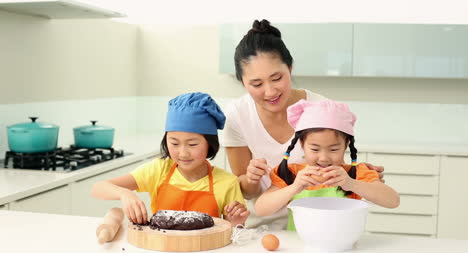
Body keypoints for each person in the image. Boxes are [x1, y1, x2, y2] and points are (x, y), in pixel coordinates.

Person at [223, 19, 384, 229]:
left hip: (315, 223)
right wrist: (252, 179)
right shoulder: (237, 116)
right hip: (258, 226)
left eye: (277, 78)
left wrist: (359, 173)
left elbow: (333, 165)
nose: (270, 91)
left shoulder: (321, 108)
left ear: (290, 68)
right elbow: (246, 192)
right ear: (242, 82)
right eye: (256, 84)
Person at [92, 92, 249, 227]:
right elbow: (98, 188)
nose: (183, 153)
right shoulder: (158, 170)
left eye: (192, 144)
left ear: (210, 144)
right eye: (174, 143)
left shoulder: (227, 183)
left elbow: (232, 236)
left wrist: (236, 223)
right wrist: (124, 193)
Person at [254, 99, 400, 230]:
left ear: (346, 145)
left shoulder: (355, 174)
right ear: (302, 144)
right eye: (315, 149)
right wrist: (295, 187)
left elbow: (393, 201)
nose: (323, 158)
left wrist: (351, 184)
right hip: (299, 246)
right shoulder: (291, 173)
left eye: (334, 149)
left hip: (342, 246)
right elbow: (261, 209)